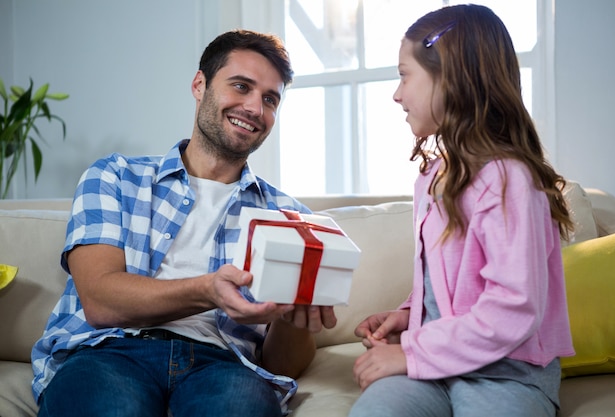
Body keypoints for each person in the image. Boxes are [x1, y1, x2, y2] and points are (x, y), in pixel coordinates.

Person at [31, 29, 337, 417]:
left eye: (270, 99)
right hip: (110, 352)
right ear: (199, 84)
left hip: (225, 366)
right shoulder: (114, 177)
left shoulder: (290, 218)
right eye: (241, 86)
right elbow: (100, 301)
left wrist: (296, 318)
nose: (255, 108)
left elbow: (280, 367)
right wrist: (209, 290)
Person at [349, 5, 575, 417]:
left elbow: (513, 306)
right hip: (433, 370)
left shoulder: (508, 181)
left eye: (404, 75)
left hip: (506, 374)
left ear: (449, 78)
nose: (397, 94)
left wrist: (409, 352)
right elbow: (450, 287)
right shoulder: (434, 176)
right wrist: (407, 315)